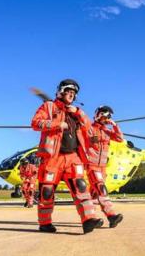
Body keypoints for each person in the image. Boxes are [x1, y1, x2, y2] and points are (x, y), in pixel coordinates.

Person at [31, 79, 103, 234]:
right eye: (69, 92)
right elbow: (35, 123)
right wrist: (57, 124)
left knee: (81, 187)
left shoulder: (76, 112)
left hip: (73, 157)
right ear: (61, 92)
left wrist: (78, 113)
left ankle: (88, 219)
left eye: (74, 94)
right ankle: (45, 223)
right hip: (52, 158)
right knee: (47, 192)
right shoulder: (49, 107)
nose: (71, 95)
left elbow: (89, 130)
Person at [86, 105, 124, 228]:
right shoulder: (89, 129)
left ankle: (91, 219)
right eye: (102, 114)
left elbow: (119, 138)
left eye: (106, 115)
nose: (104, 117)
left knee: (94, 194)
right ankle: (111, 215)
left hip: (102, 167)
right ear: (97, 114)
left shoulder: (107, 131)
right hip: (92, 165)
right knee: (101, 190)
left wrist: (114, 125)